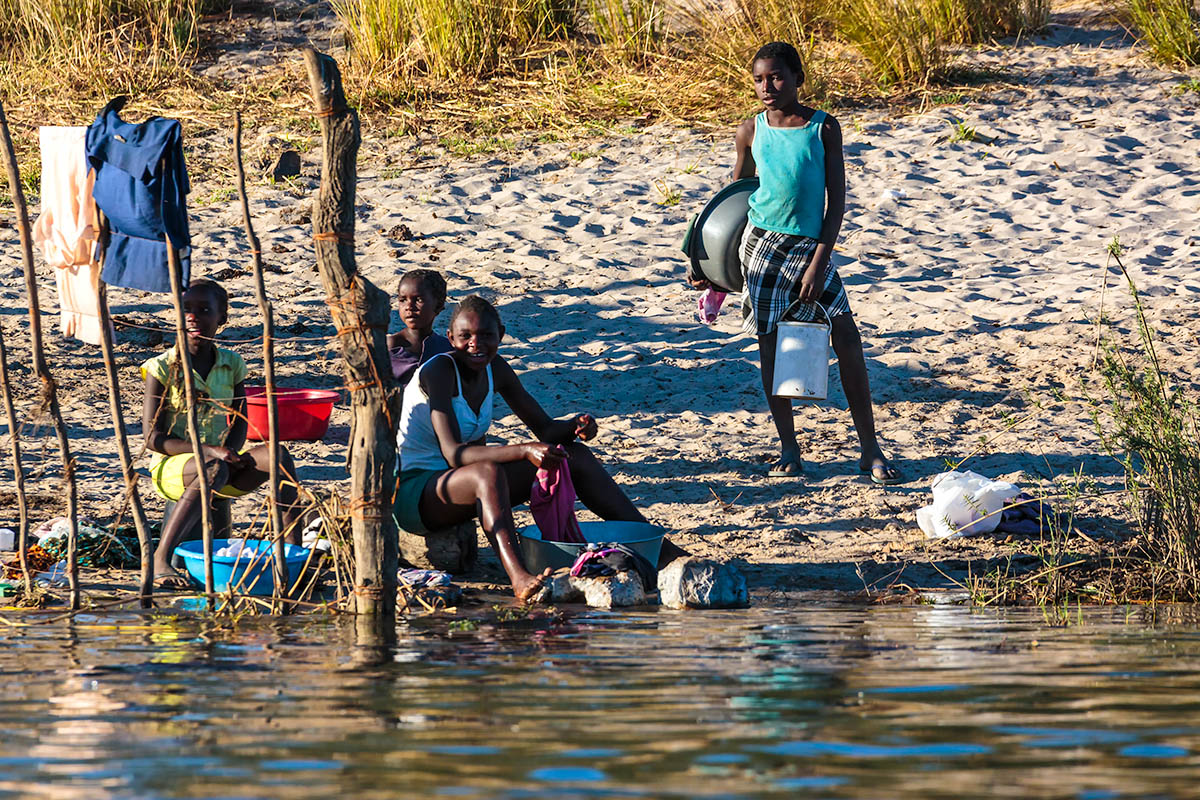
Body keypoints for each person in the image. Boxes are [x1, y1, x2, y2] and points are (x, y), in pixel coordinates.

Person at [692, 41, 902, 484]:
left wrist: (819, 261)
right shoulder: (751, 130)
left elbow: (836, 204)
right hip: (761, 247)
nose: (766, 87)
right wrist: (709, 266)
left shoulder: (823, 128)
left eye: (776, 77)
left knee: (846, 335)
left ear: (798, 79)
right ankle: (789, 448)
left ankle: (870, 449)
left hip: (810, 250)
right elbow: (734, 202)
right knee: (770, 345)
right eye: (758, 79)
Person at [394, 294, 685, 601]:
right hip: (418, 491)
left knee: (575, 456)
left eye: (486, 336)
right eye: (465, 336)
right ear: (451, 338)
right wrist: (523, 450)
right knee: (486, 474)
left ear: (501, 336)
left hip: (460, 484)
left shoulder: (497, 369)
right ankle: (519, 577)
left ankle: (659, 548)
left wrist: (575, 425)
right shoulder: (438, 371)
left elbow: (545, 428)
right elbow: (455, 454)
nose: (475, 344)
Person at [141, 278, 304, 587]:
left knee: (278, 456)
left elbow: (240, 420)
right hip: (174, 466)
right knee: (211, 469)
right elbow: (153, 438)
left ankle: (291, 554)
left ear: (222, 318)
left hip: (221, 466)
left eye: (204, 310)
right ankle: (162, 558)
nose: (193, 317)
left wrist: (230, 451)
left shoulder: (231, 364)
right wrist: (210, 451)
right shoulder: (162, 367)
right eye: (186, 309)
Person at [388, 268, 453, 387]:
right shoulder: (392, 346)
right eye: (403, 300)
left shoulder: (447, 348)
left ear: (438, 305)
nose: (409, 307)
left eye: (418, 300)